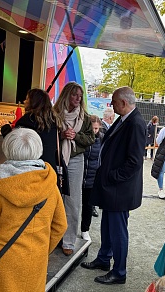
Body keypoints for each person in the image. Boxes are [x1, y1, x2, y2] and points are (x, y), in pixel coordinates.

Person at [0, 128, 67, 292]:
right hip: (36, 263)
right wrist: (41, 250)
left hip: (0, 267)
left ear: (7, 149)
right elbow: (60, 226)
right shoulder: (50, 185)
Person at [80, 86, 146, 285]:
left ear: (124, 103)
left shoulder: (135, 123)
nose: (111, 105)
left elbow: (134, 162)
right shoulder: (126, 119)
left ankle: (119, 271)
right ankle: (103, 259)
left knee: (117, 231)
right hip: (114, 187)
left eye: (114, 102)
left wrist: (111, 177)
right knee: (108, 227)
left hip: (119, 189)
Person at [53, 81, 95, 256]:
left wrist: (75, 136)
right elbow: (47, 134)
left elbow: (91, 139)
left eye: (80, 95)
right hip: (56, 159)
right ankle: (54, 237)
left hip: (76, 159)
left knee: (72, 200)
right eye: (74, 94)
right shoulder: (54, 114)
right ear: (67, 95)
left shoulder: (84, 117)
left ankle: (68, 240)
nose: (78, 98)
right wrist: (61, 135)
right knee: (55, 198)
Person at [0, 88, 58, 172]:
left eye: (27, 99)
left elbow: (16, 146)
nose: (24, 101)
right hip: (49, 170)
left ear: (33, 102)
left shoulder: (27, 120)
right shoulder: (53, 121)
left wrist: (5, 128)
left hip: (31, 171)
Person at [81, 115, 104, 242]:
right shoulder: (82, 137)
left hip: (92, 177)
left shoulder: (101, 138)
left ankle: (85, 229)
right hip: (79, 174)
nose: (94, 131)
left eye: (96, 128)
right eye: (92, 128)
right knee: (73, 205)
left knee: (88, 206)